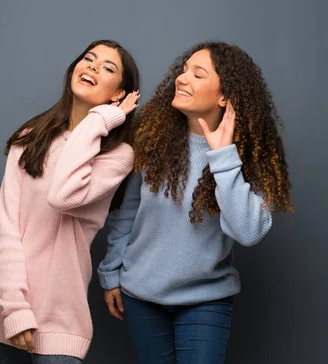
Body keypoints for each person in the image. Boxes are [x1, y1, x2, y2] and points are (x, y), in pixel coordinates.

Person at [98, 41, 292, 364]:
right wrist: (111, 273)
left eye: (197, 74)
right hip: (142, 296)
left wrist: (223, 156)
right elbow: (125, 211)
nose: (181, 78)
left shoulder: (242, 156)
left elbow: (247, 231)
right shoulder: (152, 138)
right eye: (183, 69)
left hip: (205, 300)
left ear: (224, 96)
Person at [0, 39, 140, 364]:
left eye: (108, 68)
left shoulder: (118, 156)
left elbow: (62, 195)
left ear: (118, 95)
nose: (93, 67)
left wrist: (98, 120)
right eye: (88, 59)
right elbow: (7, 226)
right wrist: (14, 307)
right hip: (6, 307)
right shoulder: (30, 137)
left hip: (61, 317)